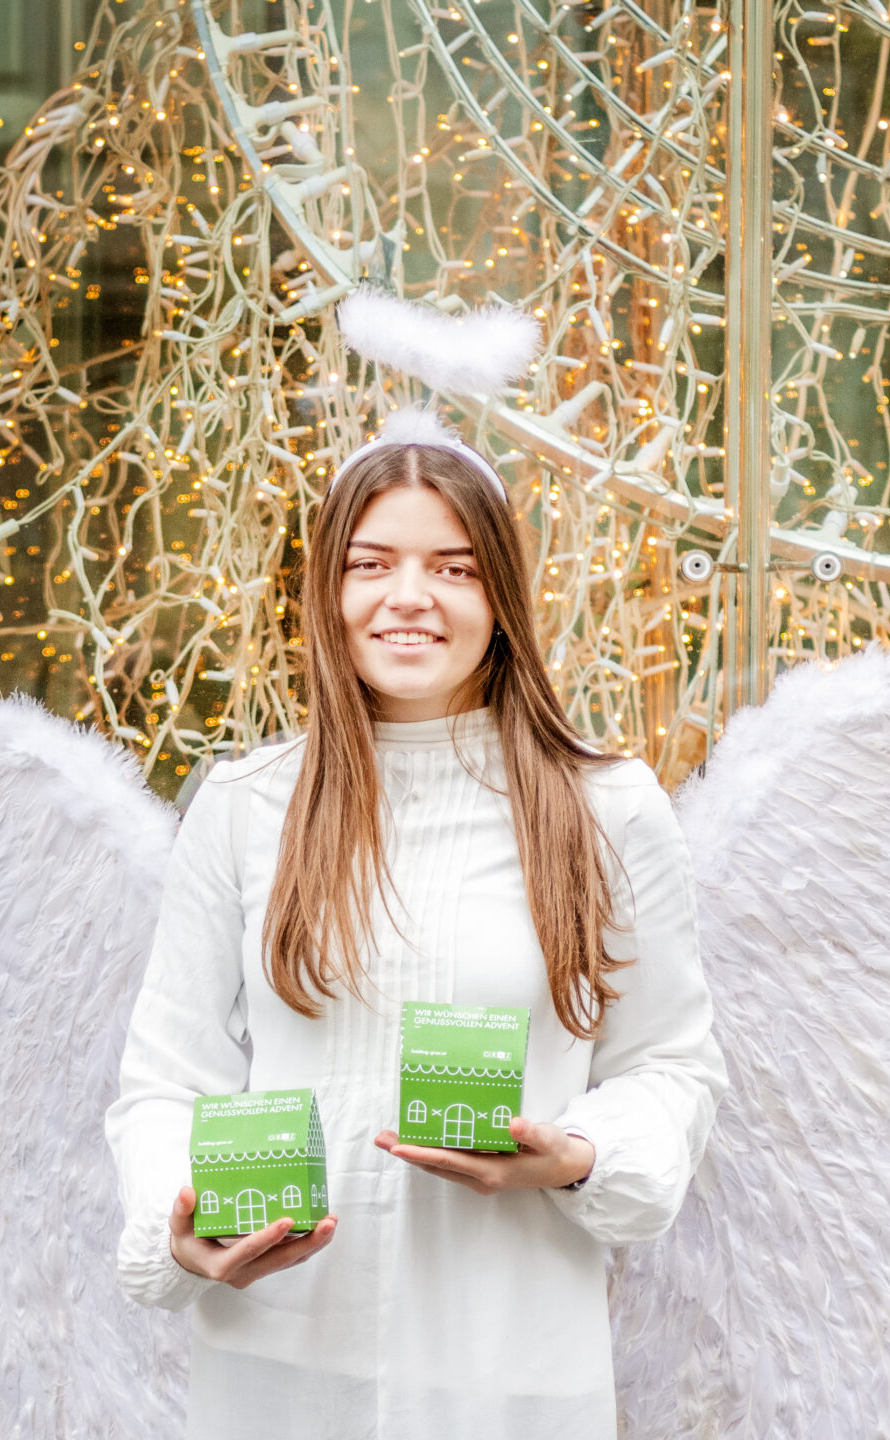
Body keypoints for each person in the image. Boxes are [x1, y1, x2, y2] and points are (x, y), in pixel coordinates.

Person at [104, 425, 728, 1439]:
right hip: (279, 1359)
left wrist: (576, 1154)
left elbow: (669, 1066)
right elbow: (168, 1080)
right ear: (326, 593)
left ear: (501, 597)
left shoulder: (606, 808)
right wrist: (181, 1229)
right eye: (370, 565)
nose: (408, 597)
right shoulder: (247, 803)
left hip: (510, 1357)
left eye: (452, 567)